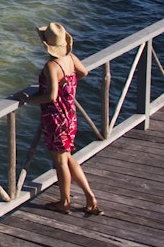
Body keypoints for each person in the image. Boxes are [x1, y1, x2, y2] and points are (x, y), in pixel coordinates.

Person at [14, 22, 102, 215]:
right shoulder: (70, 58)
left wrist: (30, 100)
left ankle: (65, 201)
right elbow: (83, 72)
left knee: (61, 162)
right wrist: (67, 87)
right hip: (70, 115)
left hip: (55, 118)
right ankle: (89, 196)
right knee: (68, 157)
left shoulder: (51, 66)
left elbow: (51, 96)